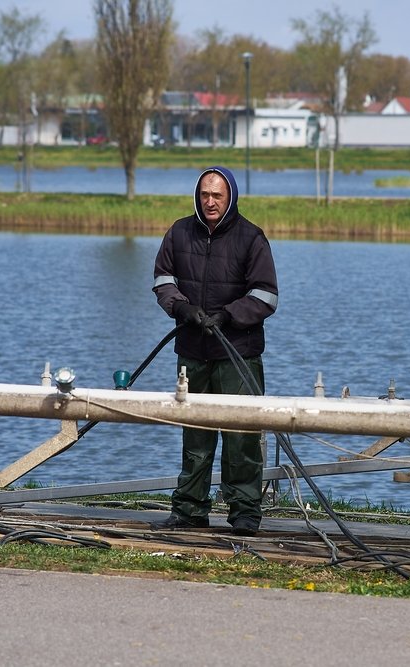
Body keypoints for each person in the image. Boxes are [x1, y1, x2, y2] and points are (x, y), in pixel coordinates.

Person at [150, 166, 278, 537]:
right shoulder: (179, 231)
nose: (209, 201)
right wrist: (181, 307)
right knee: (195, 436)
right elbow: (162, 279)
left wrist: (228, 315)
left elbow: (266, 295)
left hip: (238, 354)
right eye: (204, 195)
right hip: (192, 350)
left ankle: (244, 513)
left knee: (241, 438)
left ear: (230, 197)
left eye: (217, 196)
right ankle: (190, 510)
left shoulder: (251, 238)